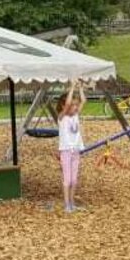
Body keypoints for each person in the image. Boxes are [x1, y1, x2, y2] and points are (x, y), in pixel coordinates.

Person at [57, 79, 85, 213]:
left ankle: (72, 203)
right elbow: (68, 103)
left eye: (75, 105)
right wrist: (72, 87)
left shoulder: (75, 116)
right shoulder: (62, 117)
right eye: (72, 105)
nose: (75, 107)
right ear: (64, 106)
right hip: (66, 151)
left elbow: (84, 101)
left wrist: (80, 88)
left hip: (76, 151)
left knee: (74, 180)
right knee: (67, 180)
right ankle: (66, 204)